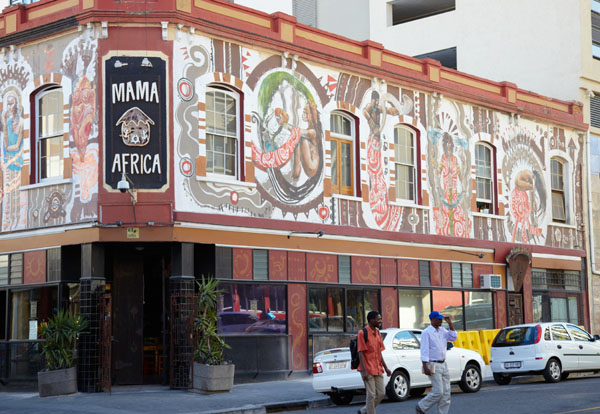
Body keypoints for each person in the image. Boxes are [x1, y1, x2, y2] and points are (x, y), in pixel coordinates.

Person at [416, 311, 458, 414]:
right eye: (438, 319)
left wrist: (450, 323)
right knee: (438, 391)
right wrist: (425, 366)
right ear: (432, 319)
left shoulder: (442, 330)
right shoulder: (426, 332)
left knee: (446, 392)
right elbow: (424, 350)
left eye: (441, 319)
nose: (441, 320)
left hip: (444, 364)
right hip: (433, 364)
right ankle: (422, 406)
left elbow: (453, 337)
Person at [357, 310, 391, 414]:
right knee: (371, 395)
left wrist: (386, 367)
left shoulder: (378, 333)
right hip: (367, 368)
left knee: (381, 394)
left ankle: (364, 410)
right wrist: (363, 371)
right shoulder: (362, 333)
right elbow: (360, 352)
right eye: (378, 319)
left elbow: (379, 352)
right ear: (371, 320)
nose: (380, 321)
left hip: (378, 368)